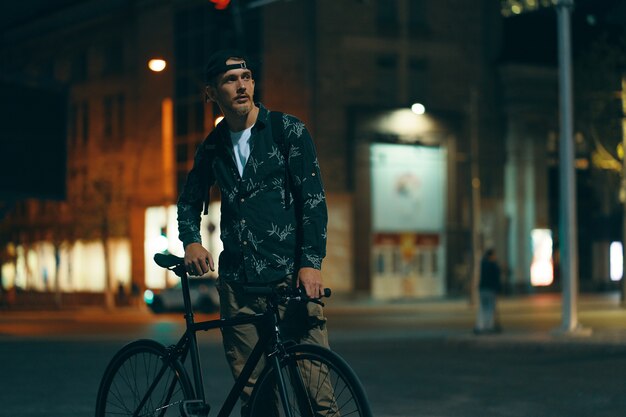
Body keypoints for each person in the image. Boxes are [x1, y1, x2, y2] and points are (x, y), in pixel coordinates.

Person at [176, 49, 329, 415]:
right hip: (238, 287)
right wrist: (192, 242)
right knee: (260, 402)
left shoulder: (286, 130)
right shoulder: (213, 147)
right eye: (230, 80)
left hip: (288, 280)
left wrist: (310, 264)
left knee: (317, 398)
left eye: (246, 77)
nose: (242, 86)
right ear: (212, 92)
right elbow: (188, 200)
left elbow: (314, 200)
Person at [474, 248, 502, 334]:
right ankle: (489, 326)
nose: (495, 256)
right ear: (491, 256)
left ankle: (480, 326)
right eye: (494, 255)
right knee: (490, 308)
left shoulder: (483, 264)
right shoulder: (493, 265)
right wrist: (498, 289)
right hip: (490, 289)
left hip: (482, 288)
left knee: (482, 308)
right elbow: (496, 278)